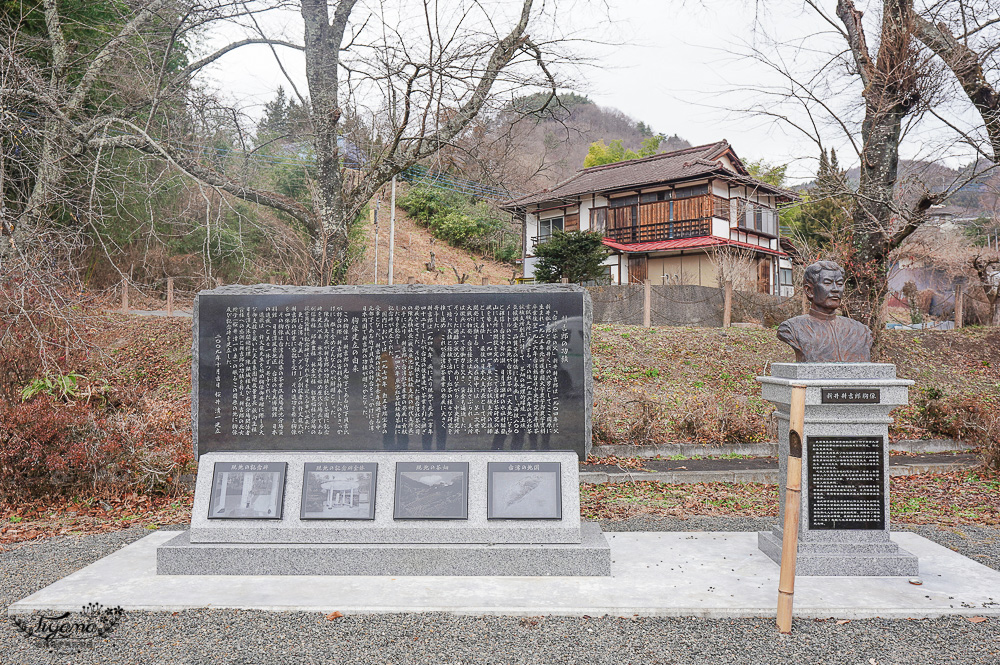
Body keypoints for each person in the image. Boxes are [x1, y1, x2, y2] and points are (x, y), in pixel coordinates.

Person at [777, 260, 873, 362]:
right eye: (827, 283)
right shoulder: (792, 328)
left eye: (839, 284)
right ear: (809, 291)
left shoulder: (860, 331)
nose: (835, 289)